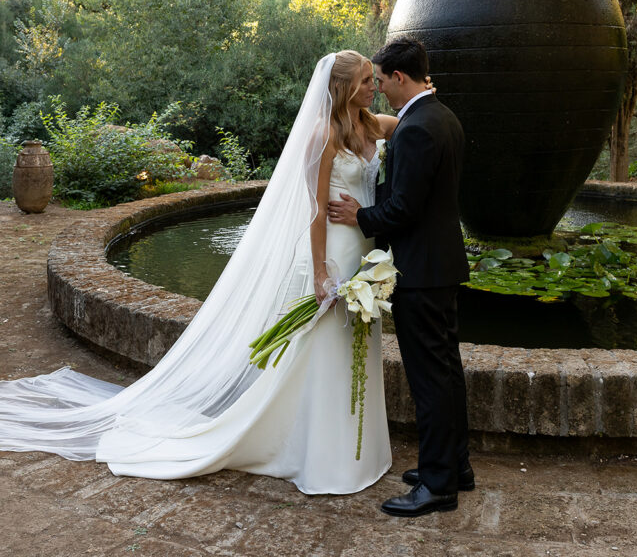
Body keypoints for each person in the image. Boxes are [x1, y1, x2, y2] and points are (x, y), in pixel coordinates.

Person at [0, 51, 397, 495]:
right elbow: (313, 208)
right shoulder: (323, 134)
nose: (372, 87)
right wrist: (322, 271)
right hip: (335, 253)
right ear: (342, 87)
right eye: (364, 81)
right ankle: (322, 452)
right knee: (326, 349)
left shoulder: (371, 124)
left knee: (357, 343)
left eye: (373, 80)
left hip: (365, 250)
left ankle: (359, 445)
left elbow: (412, 123)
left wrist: (427, 100)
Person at [328, 36, 472, 517]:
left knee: (430, 380)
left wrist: (361, 218)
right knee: (448, 371)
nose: (381, 89)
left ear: (400, 77)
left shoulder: (413, 129)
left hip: (421, 270)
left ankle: (436, 486)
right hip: (444, 264)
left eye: (383, 79)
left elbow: (405, 207)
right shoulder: (443, 117)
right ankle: (455, 466)